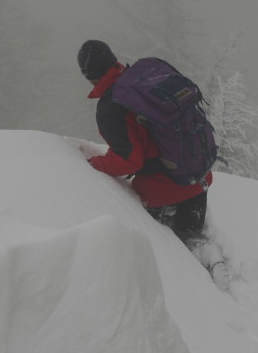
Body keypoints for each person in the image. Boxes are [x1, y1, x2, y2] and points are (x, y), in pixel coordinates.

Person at [77, 39, 213, 241]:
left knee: (175, 260)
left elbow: (129, 160)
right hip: (197, 179)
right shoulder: (143, 80)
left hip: (163, 194)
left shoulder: (111, 107)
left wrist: (92, 164)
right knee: (196, 246)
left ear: (89, 76)